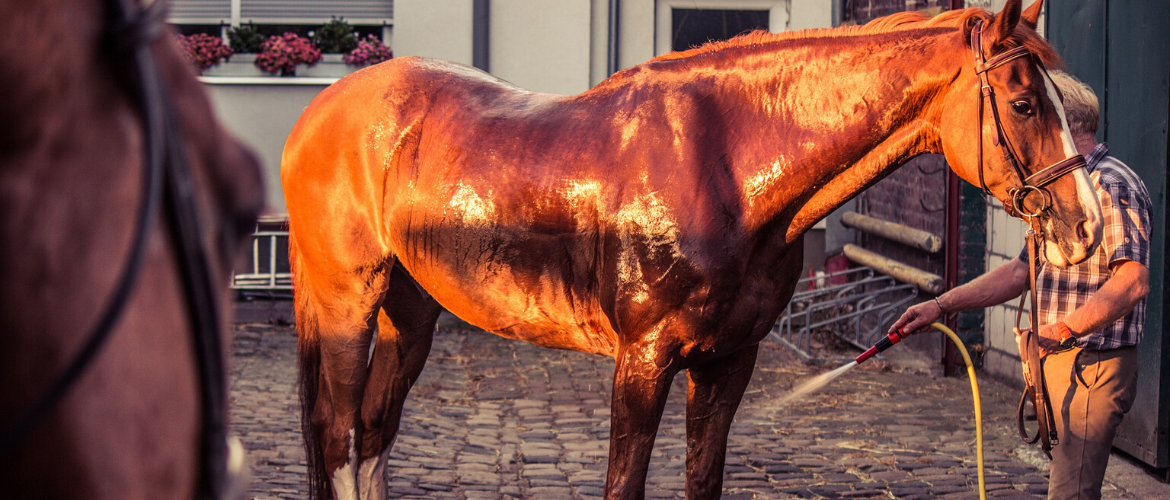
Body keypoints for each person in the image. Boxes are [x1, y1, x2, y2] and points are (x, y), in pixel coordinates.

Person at [889, 70, 1151, 500]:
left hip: (1093, 365)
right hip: (1061, 362)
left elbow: (1132, 282)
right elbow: (1018, 272)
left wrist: (1061, 331)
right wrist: (941, 305)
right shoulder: (1062, 190)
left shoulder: (1111, 183)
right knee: (1073, 485)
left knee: (1070, 493)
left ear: (1065, 121)